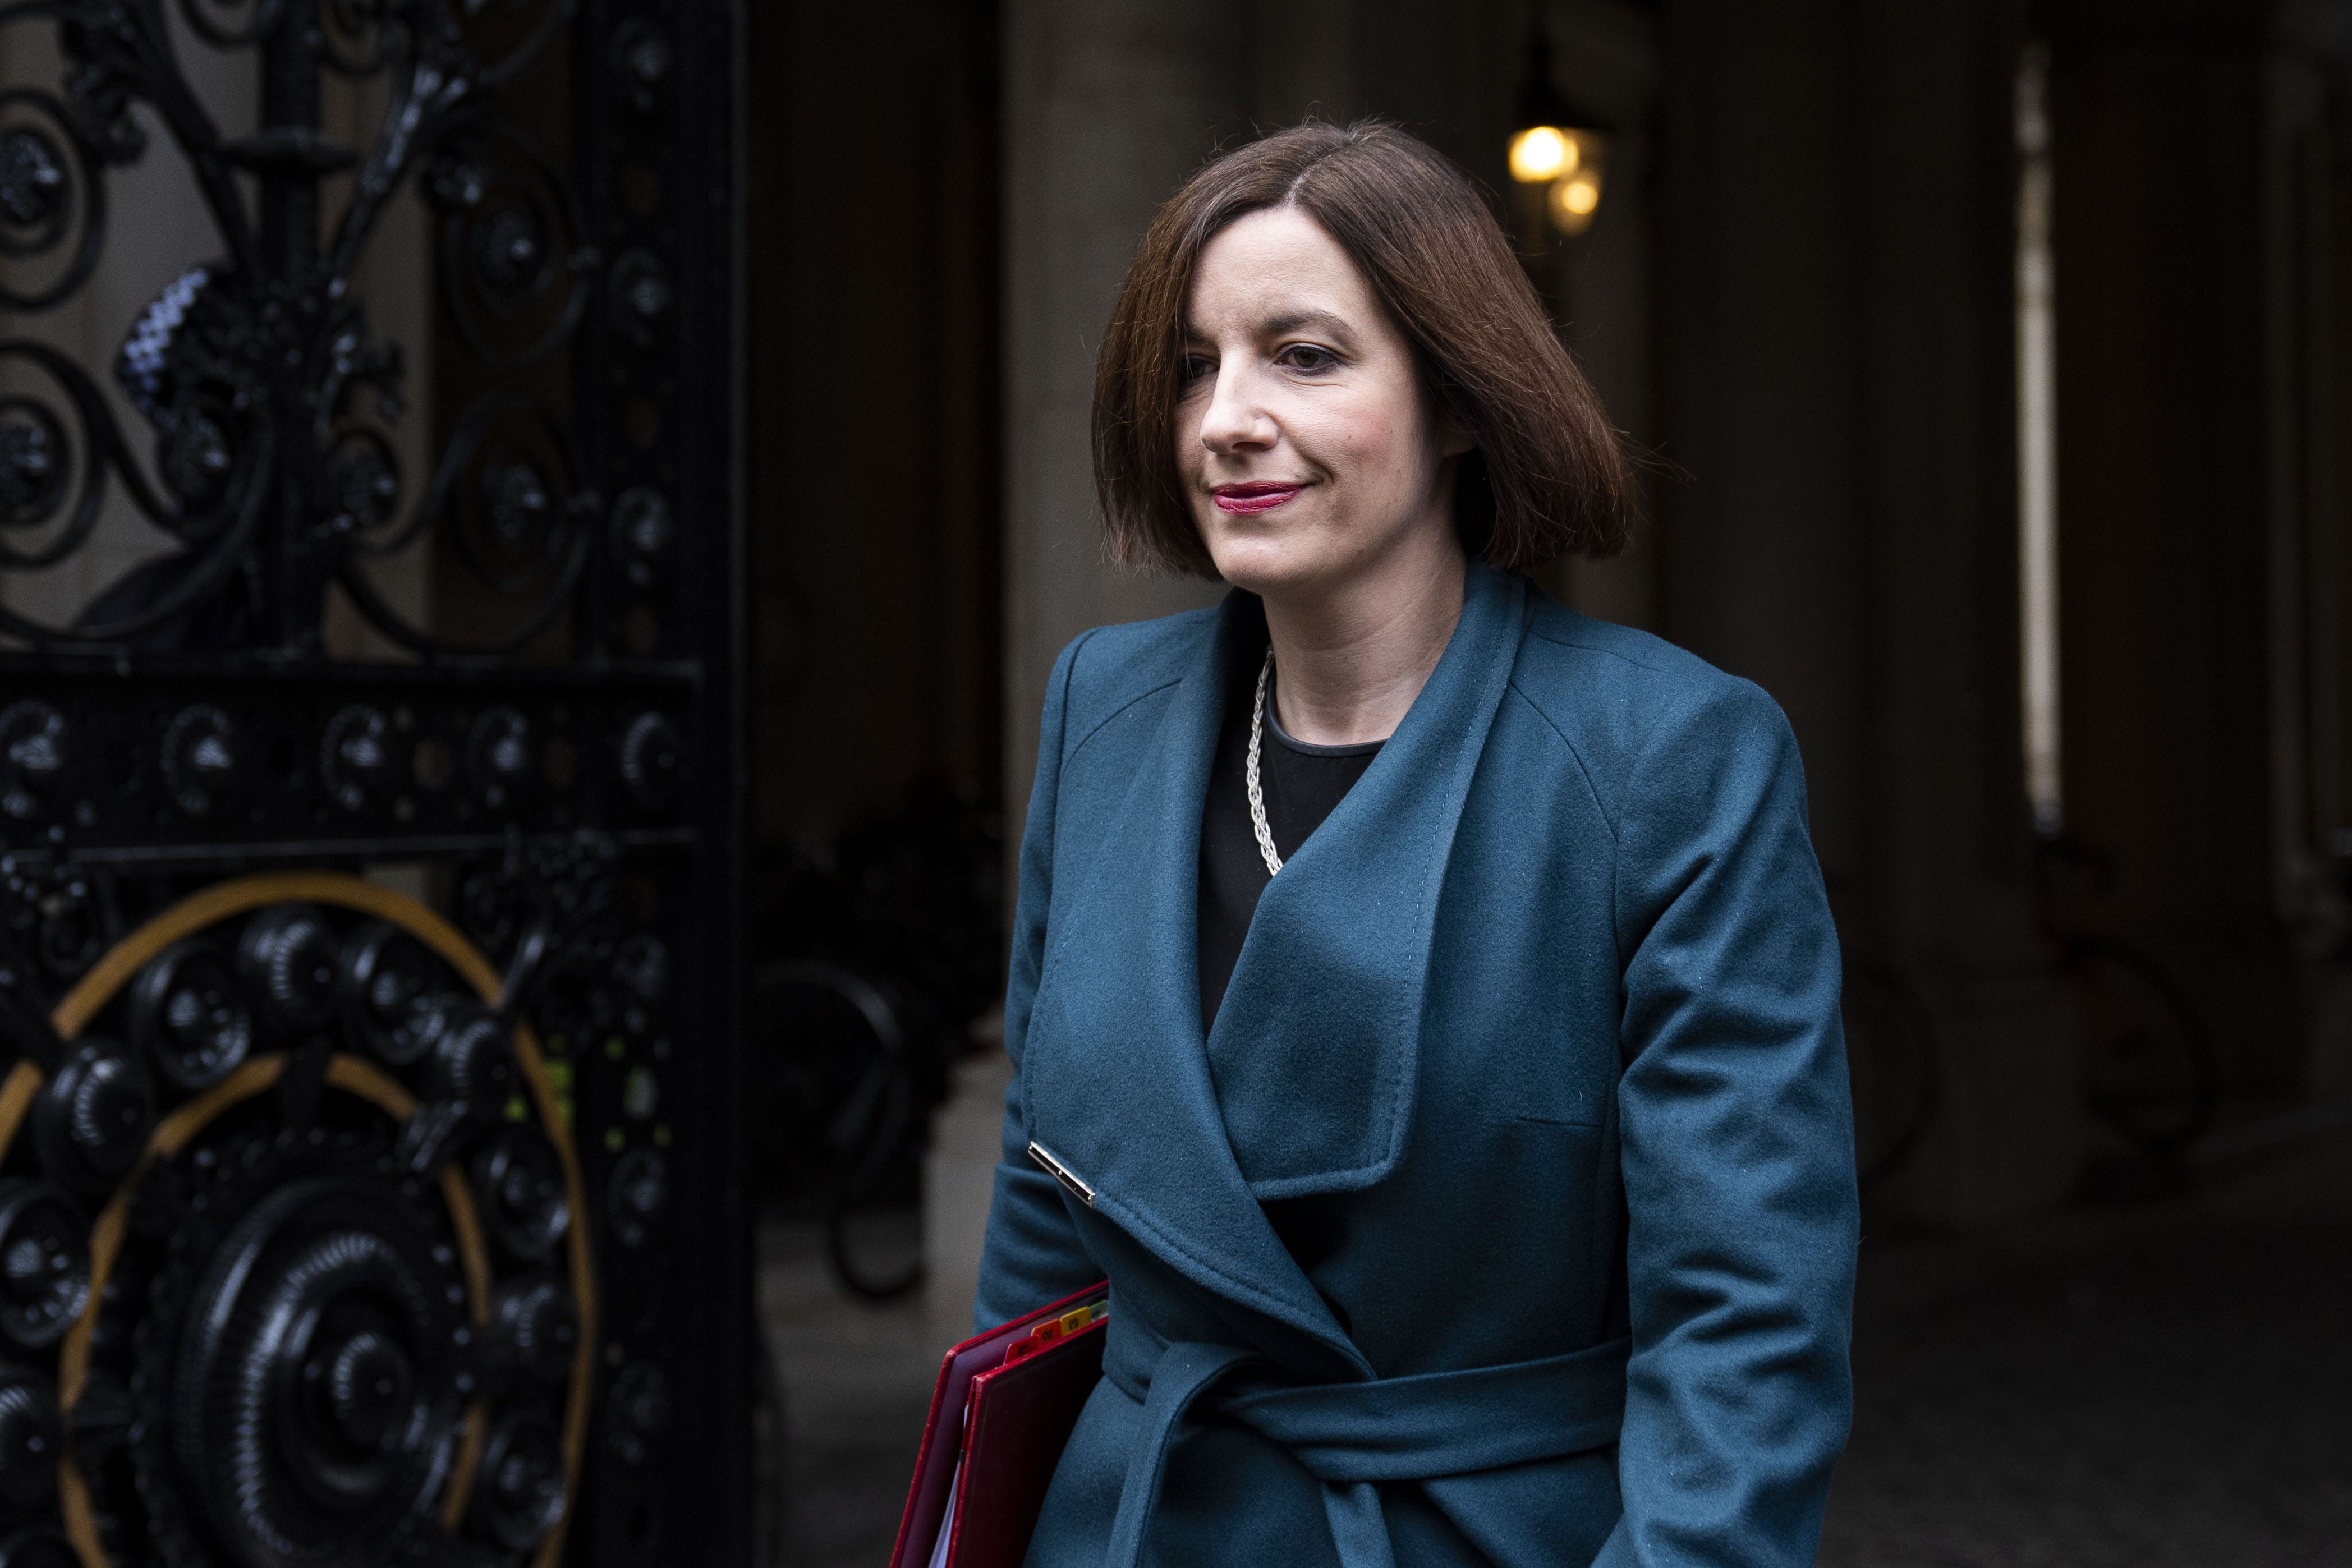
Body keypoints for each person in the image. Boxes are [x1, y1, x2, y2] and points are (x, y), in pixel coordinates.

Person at [973, 119, 1857, 1568]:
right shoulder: (1101, 709)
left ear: (1458, 396)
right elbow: (1048, 1183)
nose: (1227, 419)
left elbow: (1748, 1321)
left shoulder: (1672, 753)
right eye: (1195, 363)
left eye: (1304, 355)